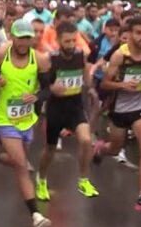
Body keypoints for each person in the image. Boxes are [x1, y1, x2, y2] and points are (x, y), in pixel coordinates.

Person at [0, 20, 53, 227]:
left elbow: (48, 89)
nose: (23, 42)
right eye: (20, 37)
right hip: (3, 119)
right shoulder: (0, 56)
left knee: (18, 161)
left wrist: (36, 96)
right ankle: (35, 214)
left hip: (26, 120)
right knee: (22, 167)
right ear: (11, 37)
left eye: (27, 38)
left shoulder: (39, 59)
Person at [97, 16, 141, 212]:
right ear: (130, 34)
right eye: (139, 33)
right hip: (119, 108)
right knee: (115, 149)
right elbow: (104, 84)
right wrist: (122, 84)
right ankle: (100, 149)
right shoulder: (120, 55)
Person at [35, 21, 99, 200]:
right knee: (50, 149)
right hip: (56, 109)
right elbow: (42, 87)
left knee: (86, 141)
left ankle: (83, 180)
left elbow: (84, 73)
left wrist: (91, 87)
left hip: (75, 106)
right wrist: (51, 89)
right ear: (58, 40)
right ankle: (41, 179)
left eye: (73, 41)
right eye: (67, 41)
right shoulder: (51, 59)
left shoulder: (79, 55)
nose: (71, 45)